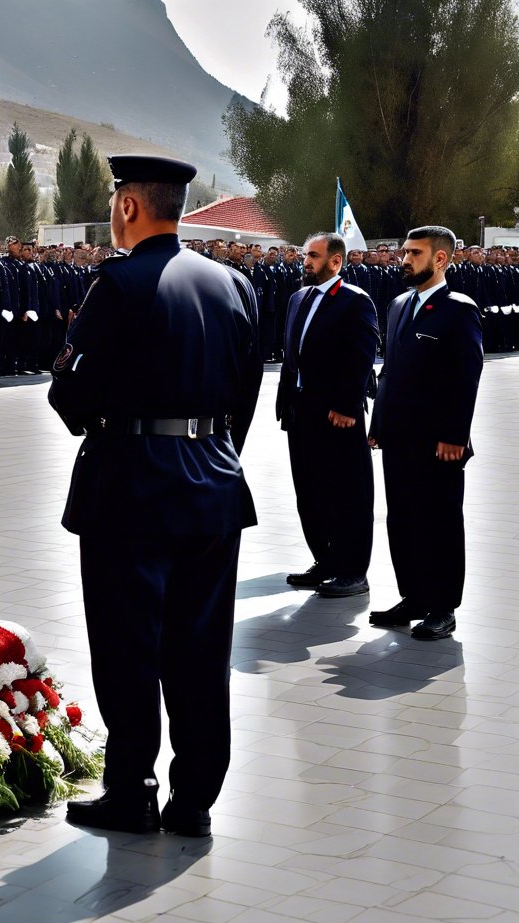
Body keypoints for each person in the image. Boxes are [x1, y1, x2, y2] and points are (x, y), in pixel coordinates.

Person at [48, 154, 262, 837]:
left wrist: (106, 423)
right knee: (202, 651)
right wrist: (211, 449)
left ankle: (131, 791)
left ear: (131, 206)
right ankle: (194, 799)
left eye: (116, 202)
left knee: (127, 647)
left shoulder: (118, 283)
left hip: (130, 489)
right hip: (213, 485)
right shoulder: (233, 284)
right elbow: (246, 392)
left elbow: (70, 390)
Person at [368, 225, 483, 640]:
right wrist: (378, 423)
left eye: (414, 253)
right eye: (404, 252)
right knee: (402, 520)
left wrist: (455, 435)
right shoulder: (399, 304)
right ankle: (413, 597)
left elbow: (466, 377)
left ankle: (442, 607)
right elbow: (392, 371)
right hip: (398, 438)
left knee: (440, 522)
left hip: (439, 444)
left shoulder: (459, 308)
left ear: (440, 259)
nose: (404, 259)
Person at [277, 232, 379, 597]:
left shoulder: (354, 301)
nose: (306, 261)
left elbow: (361, 355)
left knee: (347, 492)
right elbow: (292, 357)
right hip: (300, 410)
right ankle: (327, 559)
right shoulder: (298, 298)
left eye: (314, 256)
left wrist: (347, 406)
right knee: (310, 488)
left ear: (336, 262)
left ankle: (353, 570)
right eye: (306, 255)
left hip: (337, 413)